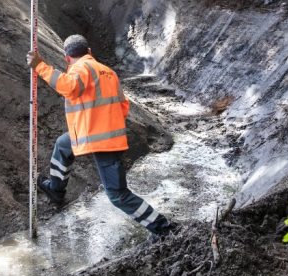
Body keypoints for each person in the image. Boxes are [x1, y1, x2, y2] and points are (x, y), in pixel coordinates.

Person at [27, 35, 176, 239]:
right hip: (100, 135)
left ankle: (164, 228)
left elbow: (68, 87)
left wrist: (39, 66)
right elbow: (123, 106)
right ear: (89, 51)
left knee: (118, 195)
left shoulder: (81, 68)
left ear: (67, 58)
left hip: (101, 140)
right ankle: (55, 189)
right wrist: (104, 123)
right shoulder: (108, 72)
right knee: (63, 145)